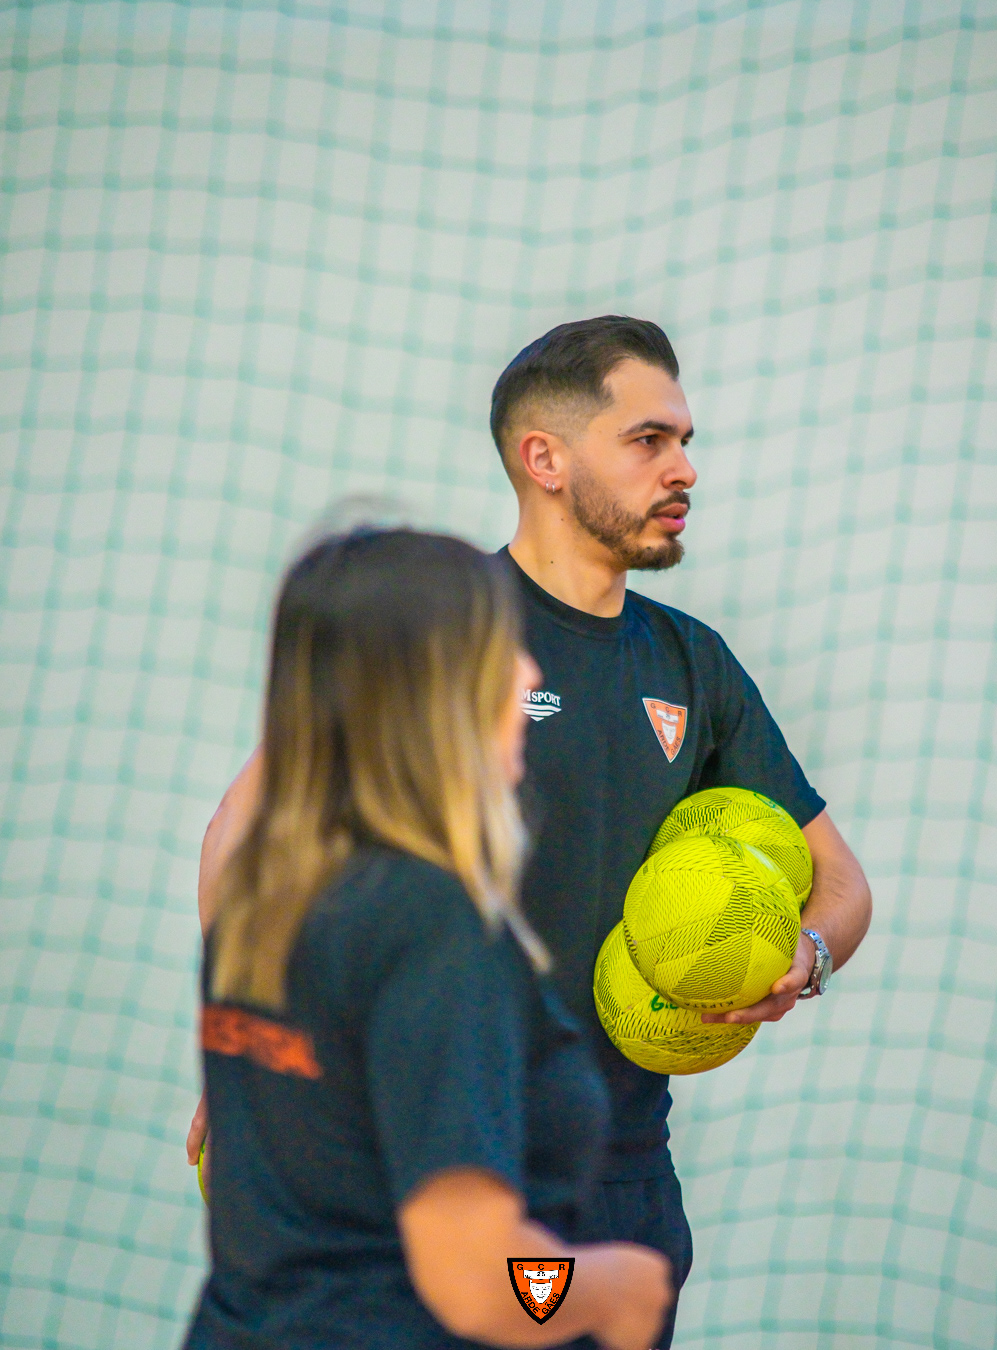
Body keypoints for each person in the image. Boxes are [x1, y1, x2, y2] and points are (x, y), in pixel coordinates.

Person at [188, 317, 873, 1349]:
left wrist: (804, 955)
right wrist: (254, 1062)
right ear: (543, 458)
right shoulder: (442, 626)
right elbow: (246, 829)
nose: (684, 469)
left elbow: (841, 882)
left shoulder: (695, 664)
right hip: (435, 1159)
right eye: (648, 440)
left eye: (686, 441)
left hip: (613, 1167)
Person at [184, 527, 672, 1350]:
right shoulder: (430, 924)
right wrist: (615, 1287)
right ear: (430, 695)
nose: (529, 677)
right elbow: (475, 1280)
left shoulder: (261, 898)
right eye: (500, 654)